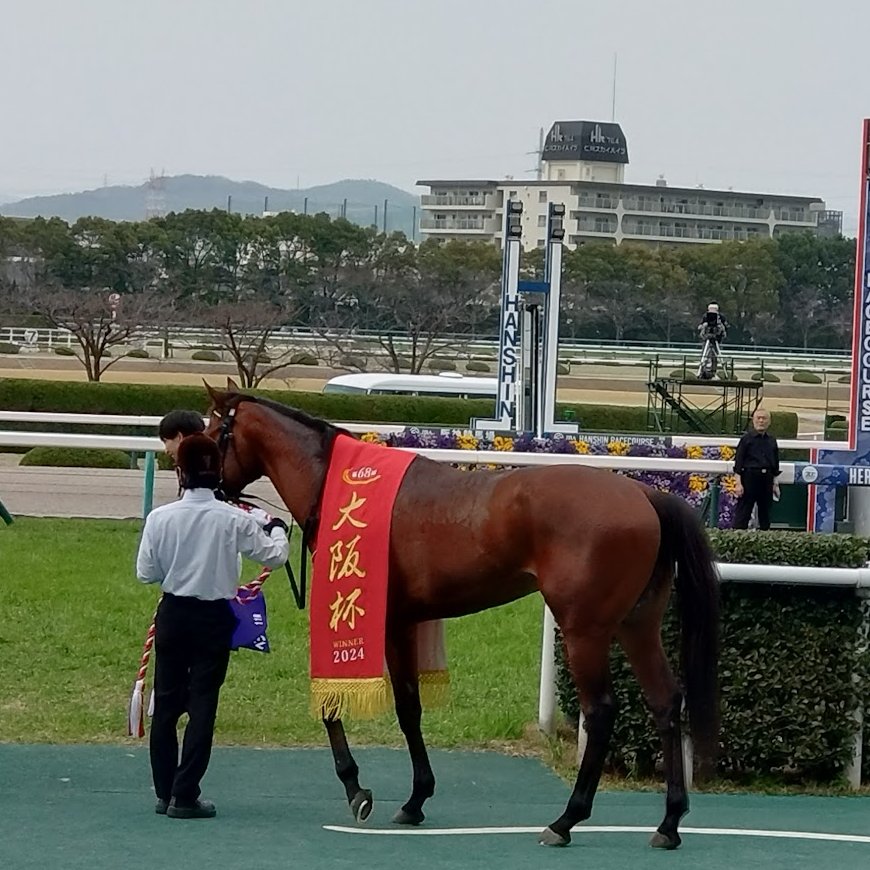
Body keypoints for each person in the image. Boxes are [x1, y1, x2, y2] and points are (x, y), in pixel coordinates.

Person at [136, 433, 290, 819]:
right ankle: (185, 794)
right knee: (203, 704)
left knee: (167, 704)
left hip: (174, 612)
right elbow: (276, 555)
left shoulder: (160, 517)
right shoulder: (233, 518)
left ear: (179, 470)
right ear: (219, 471)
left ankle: (164, 790)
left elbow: (146, 572)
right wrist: (275, 526)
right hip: (214, 616)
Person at [732, 407, 781, 531]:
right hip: (749, 478)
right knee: (743, 513)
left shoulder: (772, 440)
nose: (761, 421)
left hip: (767, 479)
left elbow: (775, 464)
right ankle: (736, 539)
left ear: (769, 422)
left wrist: (775, 484)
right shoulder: (746, 439)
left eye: (764, 418)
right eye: (758, 418)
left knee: (766, 515)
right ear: (753, 421)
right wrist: (738, 484)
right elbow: (738, 464)